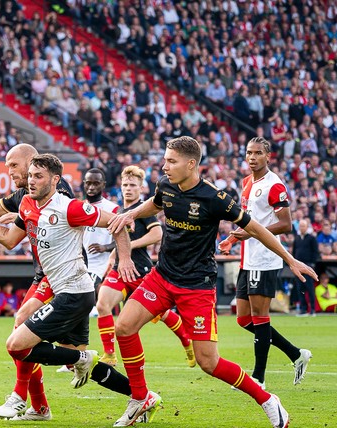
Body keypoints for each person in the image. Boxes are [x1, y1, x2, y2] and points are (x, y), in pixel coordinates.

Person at [107, 136, 317, 427]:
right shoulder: (165, 185)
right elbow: (155, 204)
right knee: (124, 327)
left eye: (171, 161)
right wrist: (132, 212)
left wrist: (290, 259)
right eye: (165, 160)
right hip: (162, 276)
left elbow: (256, 229)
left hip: (196, 286)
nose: (164, 166)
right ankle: (141, 398)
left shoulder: (214, 198)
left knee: (209, 362)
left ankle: (267, 399)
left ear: (191, 164)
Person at [0, 154, 141, 422]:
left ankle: (25, 396)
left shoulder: (70, 207)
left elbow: (118, 222)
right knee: (68, 355)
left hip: (75, 292)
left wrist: (124, 259)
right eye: (30, 175)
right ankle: (142, 395)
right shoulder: (28, 204)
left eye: (38, 176)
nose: (31, 181)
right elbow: (7, 238)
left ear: (55, 180)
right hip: (60, 288)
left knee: (17, 345)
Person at [218, 137, 312, 388]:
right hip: (247, 257)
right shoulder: (247, 182)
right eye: (249, 152)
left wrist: (250, 234)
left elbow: (285, 224)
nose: (252, 157)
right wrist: (233, 239)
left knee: (260, 316)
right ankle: (296, 354)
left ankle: (259, 377)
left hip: (265, 258)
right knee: (243, 319)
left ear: (268, 156)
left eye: (258, 153)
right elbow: (248, 220)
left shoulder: (274, 184)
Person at [95, 165, 195, 368]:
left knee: (163, 314)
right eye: (125, 185)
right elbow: (120, 242)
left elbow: (157, 234)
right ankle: (109, 354)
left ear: (141, 188)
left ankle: (187, 340)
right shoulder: (120, 211)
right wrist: (113, 256)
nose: (128, 188)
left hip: (140, 270)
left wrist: (129, 246)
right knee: (103, 304)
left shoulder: (142, 210)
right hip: (119, 269)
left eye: (133, 185)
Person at [291, 219, 319, 316]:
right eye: (300, 226)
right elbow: (294, 252)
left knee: (310, 288)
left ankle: (312, 310)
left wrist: (312, 264)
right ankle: (303, 309)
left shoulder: (311, 238)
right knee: (300, 288)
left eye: (303, 226)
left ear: (307, 227)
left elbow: (315, 252)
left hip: (308, 266)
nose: (302, 228)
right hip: (298, 267)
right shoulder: (297, 238)